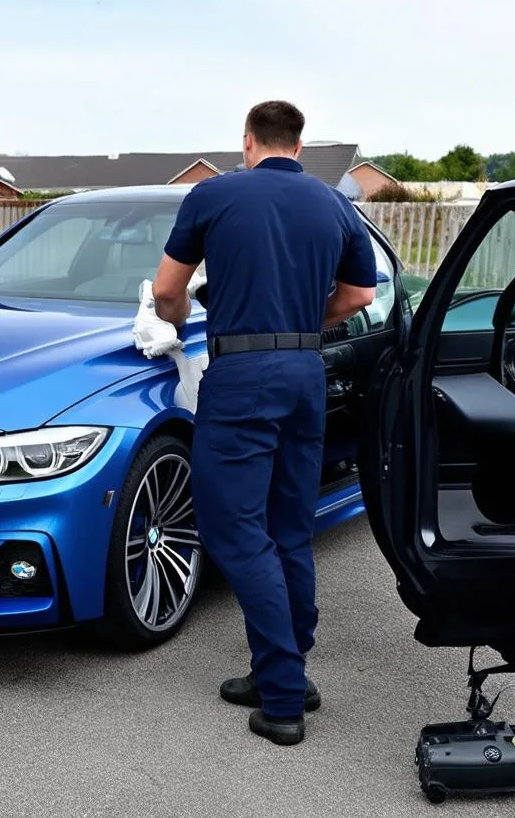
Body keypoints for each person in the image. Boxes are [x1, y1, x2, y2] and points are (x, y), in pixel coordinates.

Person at [151, 100, 378, 746]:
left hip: (242, 378)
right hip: (306, 373)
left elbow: (169, 292)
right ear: (297, 146)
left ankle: (282, 700)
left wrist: (168, 327)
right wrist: (306, 324)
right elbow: (361, 294)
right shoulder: (335, 204)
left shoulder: (212, 195)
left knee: (234, 531)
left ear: (247, 141)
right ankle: (286, 668)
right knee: (287, 528)